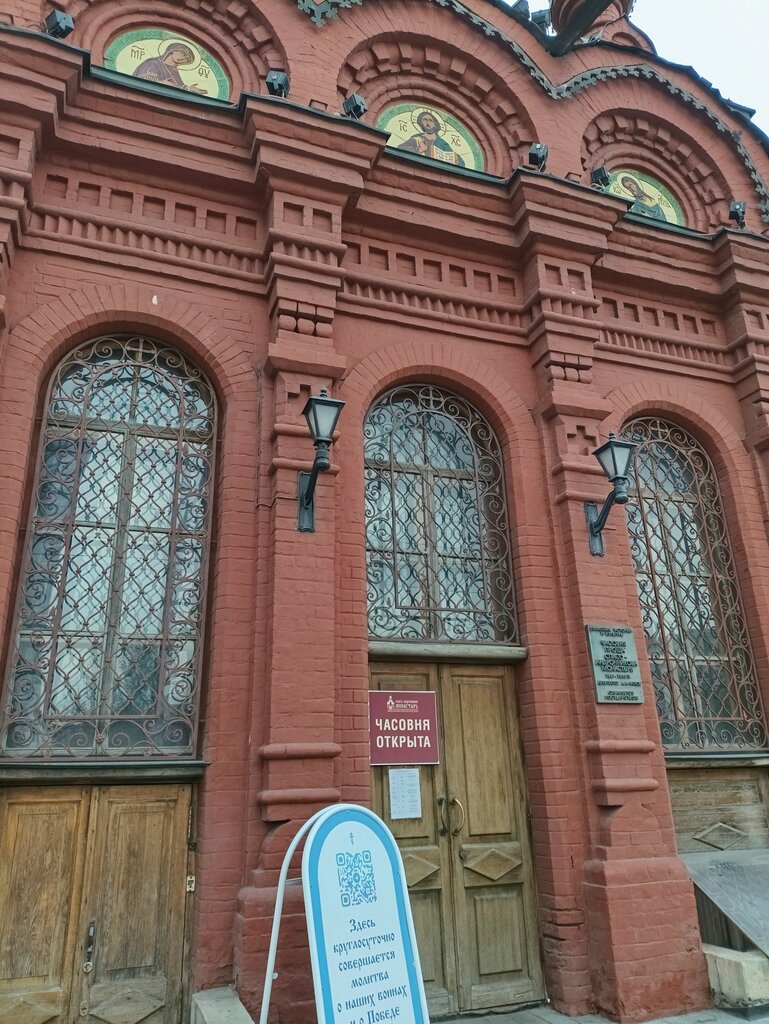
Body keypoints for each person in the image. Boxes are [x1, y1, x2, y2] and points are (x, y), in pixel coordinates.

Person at [132, 42, 207, 94]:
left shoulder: (175, 71)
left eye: (187, 59)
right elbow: (145, 82)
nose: (184, 59)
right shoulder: (152, 63)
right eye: (183, 54)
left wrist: (188, 89)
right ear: (172, 50)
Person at [397, 111, 465, 166]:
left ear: (435, 124)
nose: (427, 122)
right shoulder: (416, 139)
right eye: (424, 120)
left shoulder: (441, 143)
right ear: (421, 123)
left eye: (430, 120)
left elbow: (458, 160)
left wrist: (456, 161)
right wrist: (419, 149)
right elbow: (400, 148)